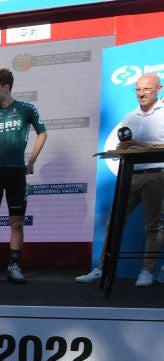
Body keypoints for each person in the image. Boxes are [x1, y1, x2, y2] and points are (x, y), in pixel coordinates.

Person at [76, 73, 164, 286]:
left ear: (158, 89)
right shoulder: (129, 117)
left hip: (157, 175)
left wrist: (146, 147)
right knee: (113, 223)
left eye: (147, 90)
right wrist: (124, 148)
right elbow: (124, 144)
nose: (141, 94)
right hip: (129, 175)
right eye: (138, 90)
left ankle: (147, 272)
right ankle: (101, 269)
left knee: (154, 226)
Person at [0, 68, 47, 284]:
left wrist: (32, 161)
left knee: (16, 223)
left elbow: (42, 133)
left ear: (5, 87)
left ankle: (14, 266)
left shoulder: (27, 109)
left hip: (16, 172)